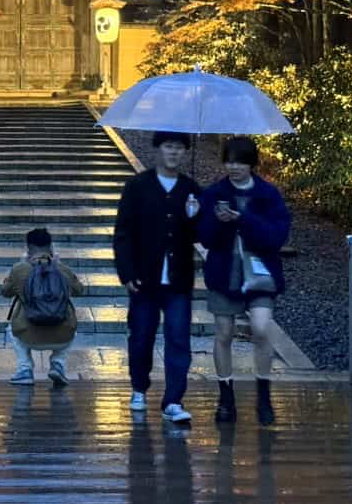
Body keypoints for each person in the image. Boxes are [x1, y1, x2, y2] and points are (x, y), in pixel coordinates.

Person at [198, 136, 291, 425]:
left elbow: (277, 236)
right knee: (223, 333)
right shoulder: (215, 193)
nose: (233, 167)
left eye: (240, 161)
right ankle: (226, 395)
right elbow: (204, 237)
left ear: (252, 163)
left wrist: (242, 219)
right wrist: (215, 220)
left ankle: (263, 392)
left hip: (260, 272)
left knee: (261, 328)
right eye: (229, 161)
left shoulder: (268, 194)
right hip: (225, 273)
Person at [114, 131, 202, 423]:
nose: (174, 153)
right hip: (144, 278)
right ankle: (139, 387)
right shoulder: (137, 186)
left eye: (179, 148)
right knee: (141, 337)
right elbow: (123, 233)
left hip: (178, 279)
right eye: (168, 147)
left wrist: (196, 215)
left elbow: (201, 234)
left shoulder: (191, 189)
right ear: (157, 150)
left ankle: (174, 400)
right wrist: (126, 272)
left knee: (178, 338)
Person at [2, 228, 85, 387]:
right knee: (73, 324)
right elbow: (80, 290)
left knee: (9, 329)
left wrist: (18, 267)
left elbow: (5, 292)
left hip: (28, 336)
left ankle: (24, 370)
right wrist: (59, 266)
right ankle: (58, 364)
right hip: (62, 337)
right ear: (51, 247)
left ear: (28, 248)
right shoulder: (62, 270)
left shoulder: (20, 269)